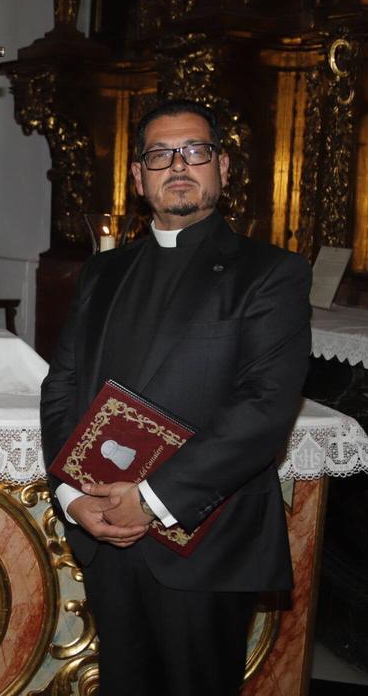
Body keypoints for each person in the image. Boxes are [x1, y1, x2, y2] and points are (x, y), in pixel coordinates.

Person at [40, 99, 311, 695]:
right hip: (106, 530)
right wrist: (70, 492)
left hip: (206, 537)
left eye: (196, 152)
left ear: (224, 166)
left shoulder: (270, 273)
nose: (179, 166)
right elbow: (61, 385)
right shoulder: (102, 273)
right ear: (139, 177)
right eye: (160, 155)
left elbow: (264, 408)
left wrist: (155, 499)